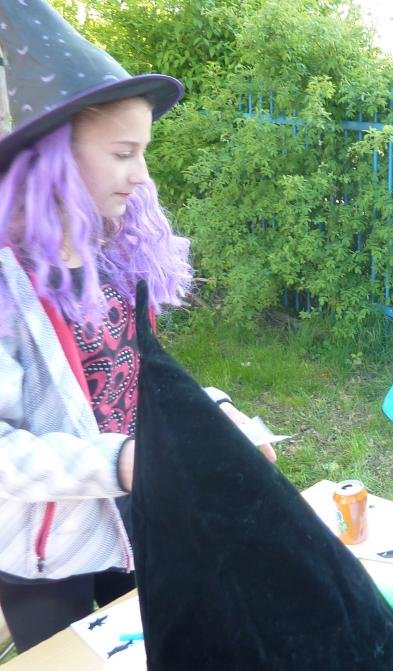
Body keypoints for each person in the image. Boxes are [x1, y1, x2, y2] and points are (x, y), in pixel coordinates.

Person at [0, 1, 273, 652]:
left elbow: (135, 375)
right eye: (124, 152)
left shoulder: (114, 254)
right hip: (49, 555)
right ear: (56, 155)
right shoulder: (8, 284)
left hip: (136, 509)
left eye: (143, 151)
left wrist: (215, 415)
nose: (142, 174)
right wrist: (122, 460)